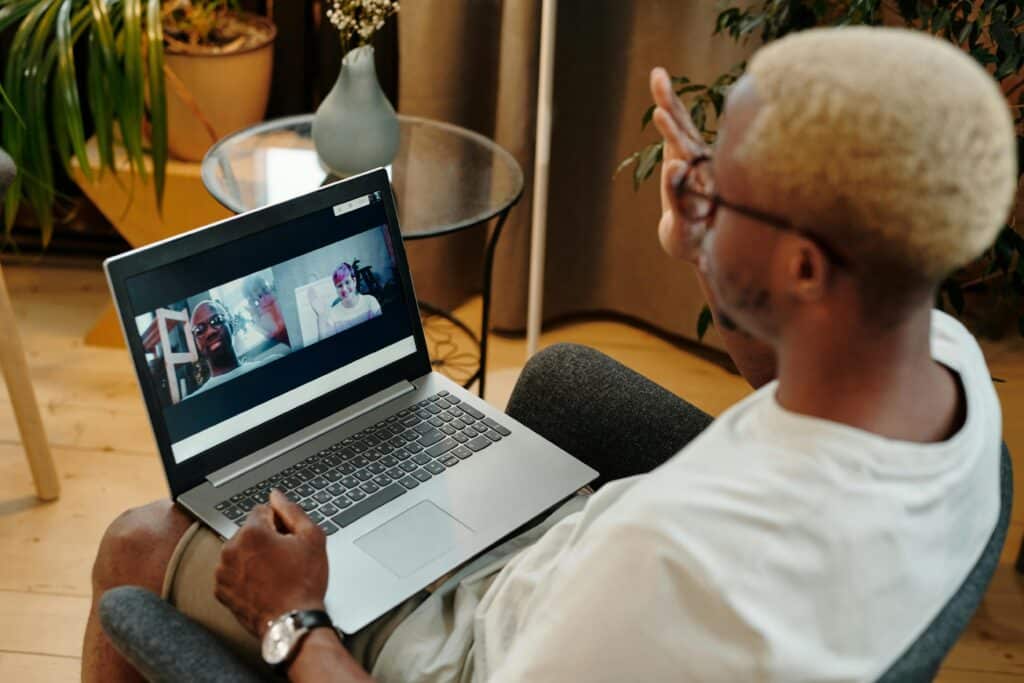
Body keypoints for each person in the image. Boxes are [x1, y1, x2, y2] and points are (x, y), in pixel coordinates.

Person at [83, 26, 1013, 682]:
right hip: (572, 558)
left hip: (490, 642)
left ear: (805, 266)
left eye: (720, 180)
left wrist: (297, 617)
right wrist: (713, 244)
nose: (689, 178)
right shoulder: (942, 357)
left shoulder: (670, 561)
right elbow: (794, 368)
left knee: (134, 542)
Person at [188, 300, 284, 397]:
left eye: (217, 320)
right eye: (199, 330)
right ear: (197, 344)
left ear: (231, 326)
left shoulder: (274, 367)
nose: (210, 332)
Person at [307, 262, 383, 341]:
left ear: (354, 281)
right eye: (339, 286)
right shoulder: (333, 315)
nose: (344, 289)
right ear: (336, 289)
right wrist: (321, 316)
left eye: (347, 282)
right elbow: (325, 347)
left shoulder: (370, 301)